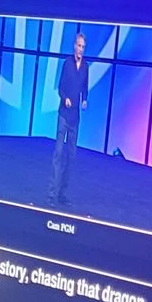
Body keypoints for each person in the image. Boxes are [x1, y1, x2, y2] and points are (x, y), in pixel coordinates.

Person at [48, 33, 88, 207]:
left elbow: (85, 88)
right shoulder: (67, 63)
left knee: (71, 157)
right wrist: (65, 99)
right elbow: (60, 88)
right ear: (74, 46)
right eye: (78, 46)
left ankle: (62, 194)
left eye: (83, 47)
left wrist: (84, 99)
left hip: (75, 119)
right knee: (58, 154)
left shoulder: (86, 66)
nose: (80, 49)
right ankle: (52, 195)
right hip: (63, 116)